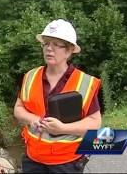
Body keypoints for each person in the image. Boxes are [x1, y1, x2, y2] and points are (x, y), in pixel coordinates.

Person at [13, 19, 102, 173]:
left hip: (66, 163)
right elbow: (18, 109)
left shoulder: (84, 82)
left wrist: (63, 128)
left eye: (56, 44)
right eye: (46, 43)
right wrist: (33, 119)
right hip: (33, 159)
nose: (49, 49)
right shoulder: (30, 76)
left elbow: (95, 123)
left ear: (69, 51)